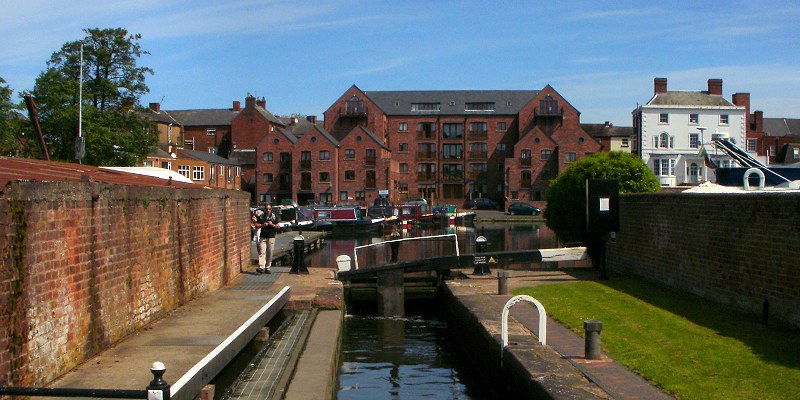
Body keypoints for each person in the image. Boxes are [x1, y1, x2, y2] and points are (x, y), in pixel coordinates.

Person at [253, 204, 279, 274]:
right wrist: (262, 225)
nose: (268, 210)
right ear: (265, 209)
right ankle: (261, 267)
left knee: (270, 252)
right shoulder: (261, 217)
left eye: (269, 209)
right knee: (262, 251)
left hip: (271, 236)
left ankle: (267, 267)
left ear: (271, 209)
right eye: (267, 209)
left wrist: (272, 224)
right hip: (263, 236)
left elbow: (278, 226)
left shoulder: (274, 216)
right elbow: (256, 226)